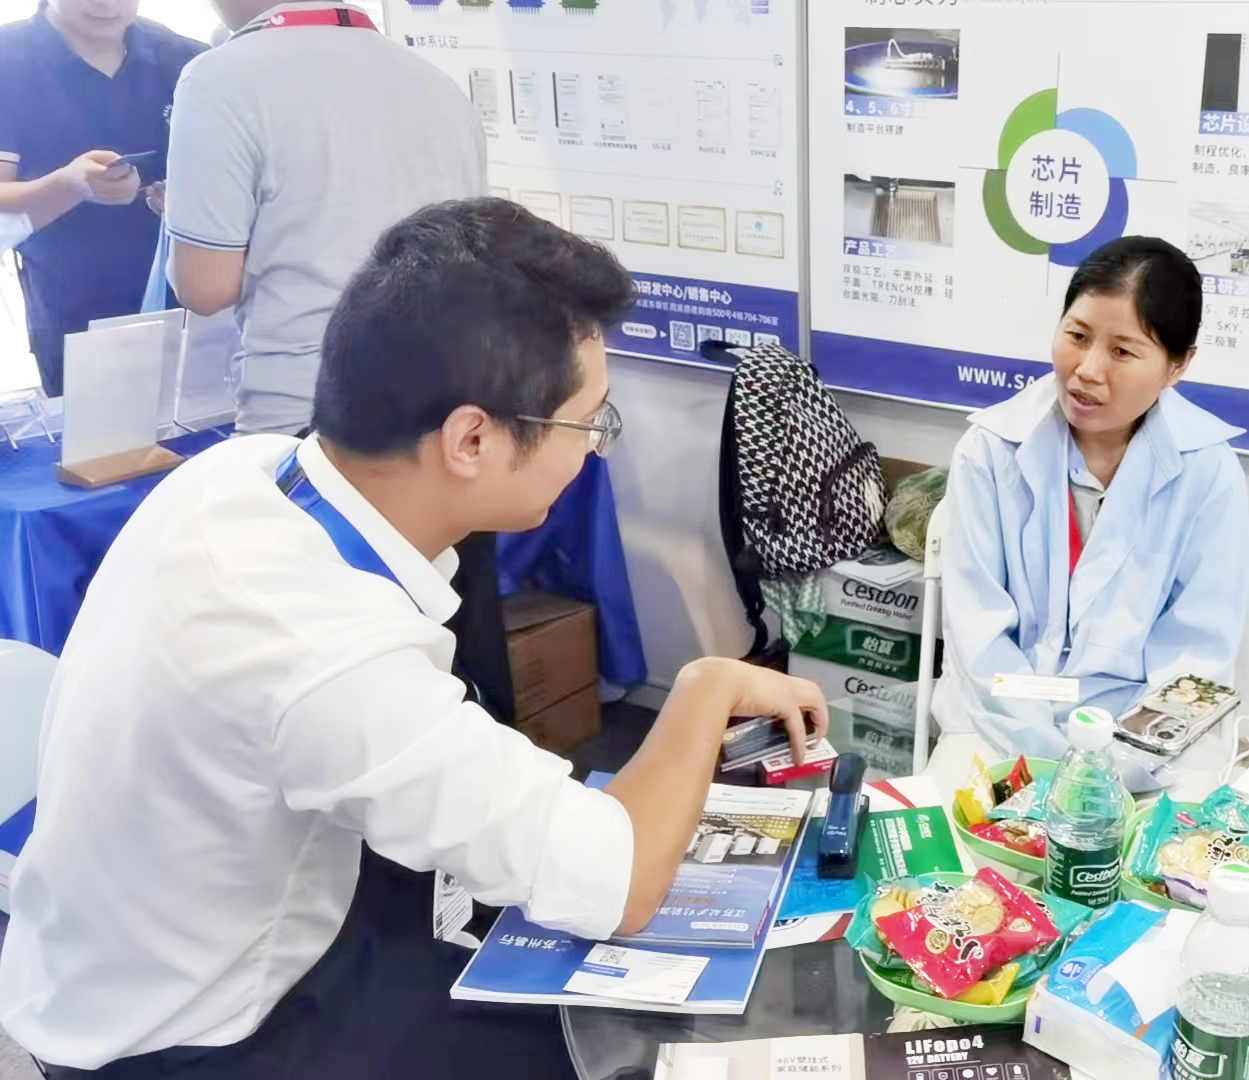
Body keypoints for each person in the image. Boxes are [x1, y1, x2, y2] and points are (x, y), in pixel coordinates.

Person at [0, 199, 828, 1078]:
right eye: (590, 422)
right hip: (198, 1038)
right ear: (470, 438)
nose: (595, 450)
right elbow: (621, 884)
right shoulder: (325, 654)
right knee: (615, 1048)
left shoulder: (242, 473)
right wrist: (706, 687)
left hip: (117, 951)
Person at [934, 236, 1249, 772]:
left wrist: (1112, 763)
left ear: (1177, 366)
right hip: (999, 720)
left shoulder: (1208, 471)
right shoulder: (989, 450)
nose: (1087, 370)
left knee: (1178, 823)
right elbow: (979, 636)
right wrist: (1046, 753)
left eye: (1123, 351)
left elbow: (1197, 657)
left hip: (1146, 739)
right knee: (956, 817)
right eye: (1077, 336)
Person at [164, 0, 487, 436]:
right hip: (441, 405)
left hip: (311, 413)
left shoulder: (218, 77)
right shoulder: (437, 82)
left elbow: (205, 288)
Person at [0, 0, 205, 396]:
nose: (106, 3)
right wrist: (70, 185)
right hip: (74, 309)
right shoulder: (10, 59)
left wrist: (193, 198)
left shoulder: (184, 58)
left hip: (193, 302)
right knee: (96, 429)